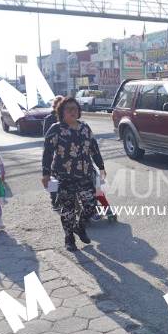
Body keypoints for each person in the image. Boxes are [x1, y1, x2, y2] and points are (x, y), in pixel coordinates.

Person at [41, 97, 106, 251]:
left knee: (91, 206)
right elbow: (47, 153)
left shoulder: (85, 128)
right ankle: (69, 237)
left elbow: (94, 148)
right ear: (61, 111)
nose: (72, 111)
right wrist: (45, 173)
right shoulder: (56, 129)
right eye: (68, 109)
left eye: (75, 108)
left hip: (84, 175)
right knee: (68, 209)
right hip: (64, 176)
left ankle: (80, 226)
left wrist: (101, 166)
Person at [43, 96, 64, 209]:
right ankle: (54, 199)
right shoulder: (49, 119)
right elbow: (46, 136)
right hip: (54, 151)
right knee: (52, 177)